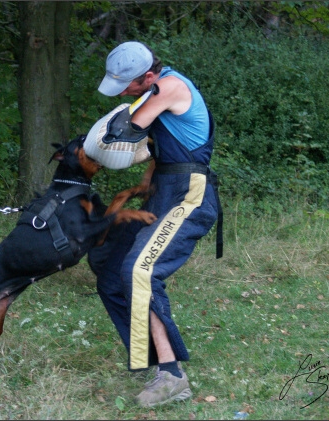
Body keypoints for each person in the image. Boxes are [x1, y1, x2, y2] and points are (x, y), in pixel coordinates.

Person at [87, 41, 222, 407]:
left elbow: (128, 129)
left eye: (129, 85)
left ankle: (172, 375)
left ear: (148, 76)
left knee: (139, 271)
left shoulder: (170, 88)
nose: (126, 92)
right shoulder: (153, 93)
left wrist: (101, 142)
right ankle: (151, 359)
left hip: (189, 196)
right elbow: (152, 145)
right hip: (163, 194)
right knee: (109, 269)